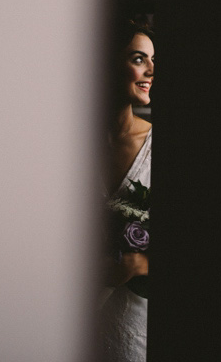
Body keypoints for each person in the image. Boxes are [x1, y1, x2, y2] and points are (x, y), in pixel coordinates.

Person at [97, 19, 154, 362]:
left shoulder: (157, 145)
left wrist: (139, 263)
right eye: (138, 59)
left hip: (132, 321)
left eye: (152, 61)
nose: (150, 70)